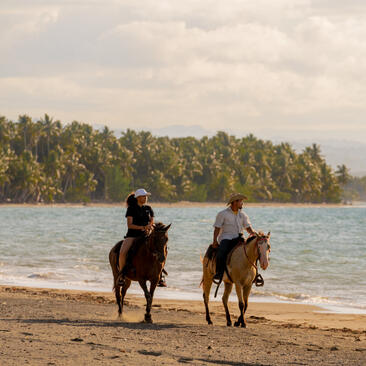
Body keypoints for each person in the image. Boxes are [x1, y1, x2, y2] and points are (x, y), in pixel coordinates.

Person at [118, 188, 167, 287]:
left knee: (161, 249)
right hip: (132, 235)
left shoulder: (148, 208)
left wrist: (150, 227)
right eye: (143, 196)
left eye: (146, 196)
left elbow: (151, 222)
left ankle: (160, 275)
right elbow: (130, 225)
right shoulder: (131, 209)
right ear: (137, 198)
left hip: (146, 235)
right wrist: (143, 227)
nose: (145, 198)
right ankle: (122, 275)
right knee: (123, 253)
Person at [212, 193, 256, 281]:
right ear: (235, 202)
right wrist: (215, 241)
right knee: (222, 252)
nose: (242, 203)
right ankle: (219, 272)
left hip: (239, 238)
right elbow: (217, 228)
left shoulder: (243, 215)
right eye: (241, 201)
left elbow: (248, 228)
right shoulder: (223, 214)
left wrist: (255, 234)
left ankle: (254, 274)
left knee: (253, 252)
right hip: (226, 238)